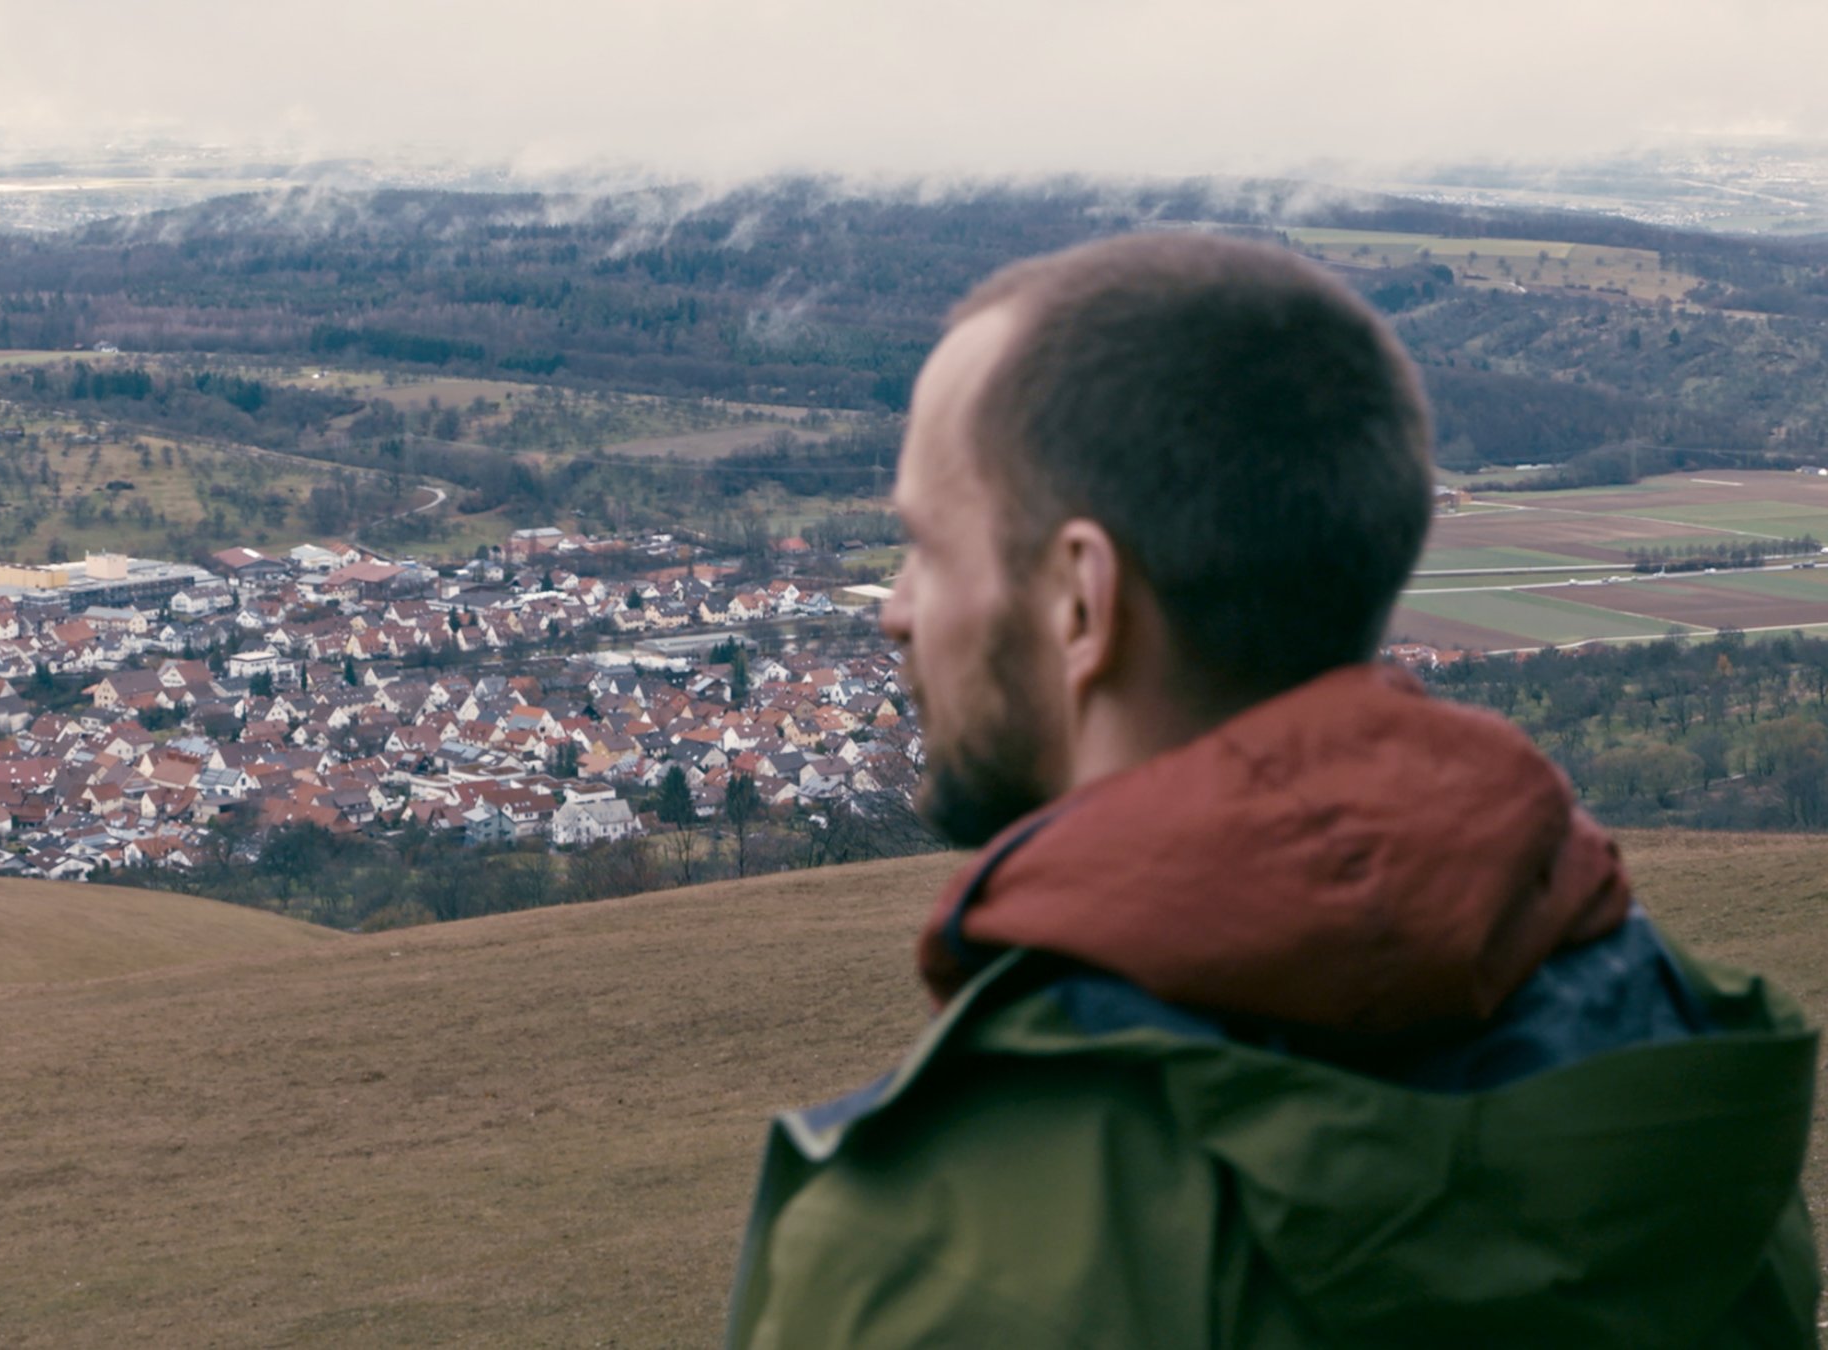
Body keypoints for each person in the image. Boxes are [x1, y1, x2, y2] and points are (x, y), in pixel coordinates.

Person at [725, 234, 1818, 1349]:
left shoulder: (928, 1252)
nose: (891, 609)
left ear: (1078, 602)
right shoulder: (1683, 1073)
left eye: (922, 546)